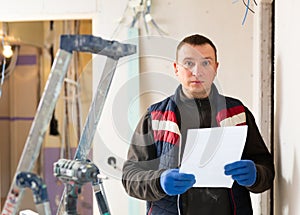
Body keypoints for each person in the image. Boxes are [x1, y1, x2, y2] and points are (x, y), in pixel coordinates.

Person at [121, 34, 275, 215]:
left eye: (206, 63)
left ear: (216, 68)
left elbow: (266, 169)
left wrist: (255, 175)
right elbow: (130, 177)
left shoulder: (238, 113)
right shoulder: (155, 117)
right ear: (176, 69)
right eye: (188, 63)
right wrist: (159, 181)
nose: (197, 71)